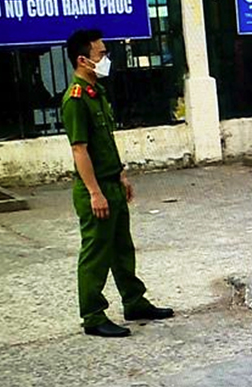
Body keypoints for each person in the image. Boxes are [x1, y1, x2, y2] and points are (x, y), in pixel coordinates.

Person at [61, 29, 173, 338]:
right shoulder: (76, 99)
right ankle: (93, 316)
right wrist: (95, 192)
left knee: (122, 248)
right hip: (94, 189)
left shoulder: (97, 93)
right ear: (83, 60)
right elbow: (79, 150)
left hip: (111, 182)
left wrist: (120, 175)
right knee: (96, 253)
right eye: (101, 54)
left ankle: (134, 301)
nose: (105, 58)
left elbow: (104, 142)